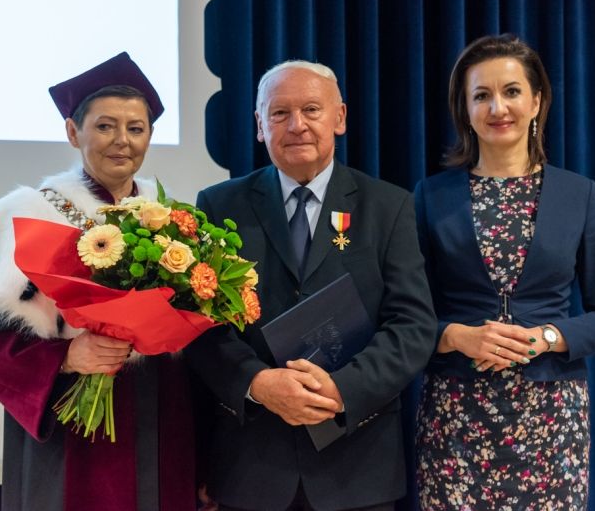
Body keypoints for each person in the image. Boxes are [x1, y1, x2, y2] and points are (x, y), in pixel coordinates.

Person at [0, 53, 196, 511]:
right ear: (73, 133)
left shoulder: (174, 223)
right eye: (105, 126)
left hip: (158, 428)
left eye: (136, 129)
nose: (122, 141)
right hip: (72, 439)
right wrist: (68, 357)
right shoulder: (31, 216)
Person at [186, 60, 437, 510]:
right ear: (260, 126)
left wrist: (342, 390)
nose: (296, 125)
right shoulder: (219, 205)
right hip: (252, 466)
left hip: (358, 467)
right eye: (279, 113)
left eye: (311, 110)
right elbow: (201, 329)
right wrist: (258, 382)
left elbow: (413, 327)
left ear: (339, 117)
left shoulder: (389, 206)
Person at [413, 34, 595, 510]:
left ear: (537, 101)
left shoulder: (580, 195)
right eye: (481, 95)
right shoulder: (430, 197)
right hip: (456, 417)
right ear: (465, 110)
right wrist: (455, 336)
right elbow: (403, 316)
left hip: (552, 417)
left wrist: (547, 337)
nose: (498, 107)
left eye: (511, 91)